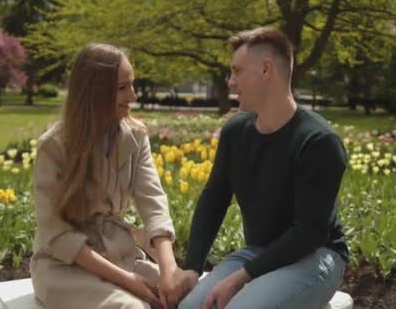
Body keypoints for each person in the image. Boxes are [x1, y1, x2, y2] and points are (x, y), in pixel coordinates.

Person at [176, 28, 349, 309]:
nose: (230, 82)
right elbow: (214, 199)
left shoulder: (319, 141)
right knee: (190, 307)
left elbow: (309, 232)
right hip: (258, 254)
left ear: (266, 70)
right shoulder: (235, 131)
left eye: (237, 71)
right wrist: (193, 267)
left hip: (317, 255)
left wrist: (240, 279)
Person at [30, 43, 187, 309]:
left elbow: (153, 202)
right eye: (122, 88)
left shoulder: (135, 137)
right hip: (64, 267)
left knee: (185, 296)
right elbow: (58, 235)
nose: (134, 96)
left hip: (119, 253)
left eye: (132, 85)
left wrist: (170, 271)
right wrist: (130, 282)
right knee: (132, 308)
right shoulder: (54, 147)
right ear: (95, 91)